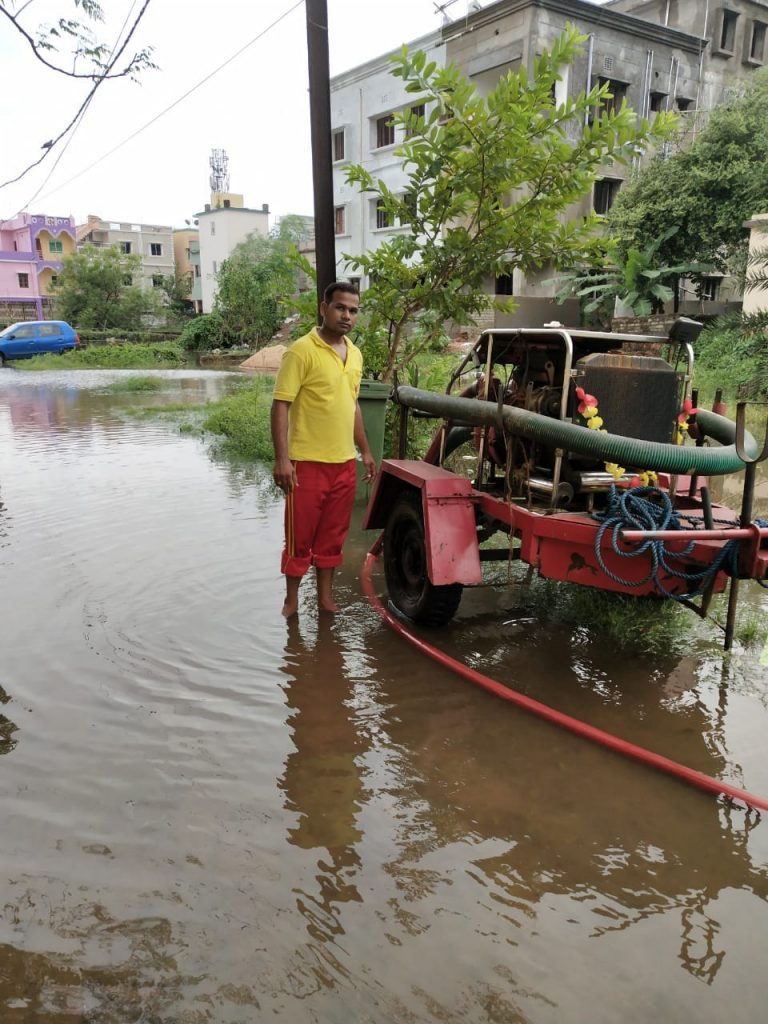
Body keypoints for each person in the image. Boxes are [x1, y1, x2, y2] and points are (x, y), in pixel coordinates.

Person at [271, 281, 376, 618]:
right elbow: (281, 405)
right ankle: (291, 602)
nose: (347, 315)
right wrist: (282, 459)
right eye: (340, 307)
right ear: (323, 308)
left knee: (332, 537)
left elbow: (353, 405)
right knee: (299, 537)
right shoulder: (301, 351)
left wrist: (365, 451)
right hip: (305, 464)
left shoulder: (355, 354)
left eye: (353, 310)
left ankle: (326, 599)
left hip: (343, 463)